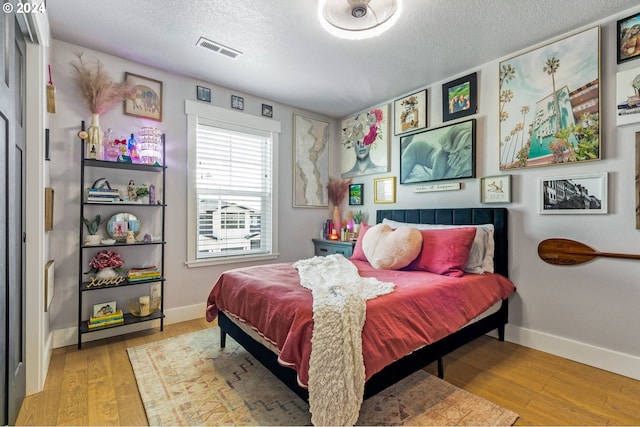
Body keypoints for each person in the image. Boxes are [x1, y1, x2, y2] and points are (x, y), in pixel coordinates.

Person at [401, 121, 473, 183]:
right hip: (418, 150)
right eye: (456, 146)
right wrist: (453, 169)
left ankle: (404, 147)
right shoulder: (442, 155)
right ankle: (405, 145)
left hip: (430, 149)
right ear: (450, 145)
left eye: (467, 148)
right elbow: (437, 183)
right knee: (402, 173)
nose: (460, 153)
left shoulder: (471, 161)